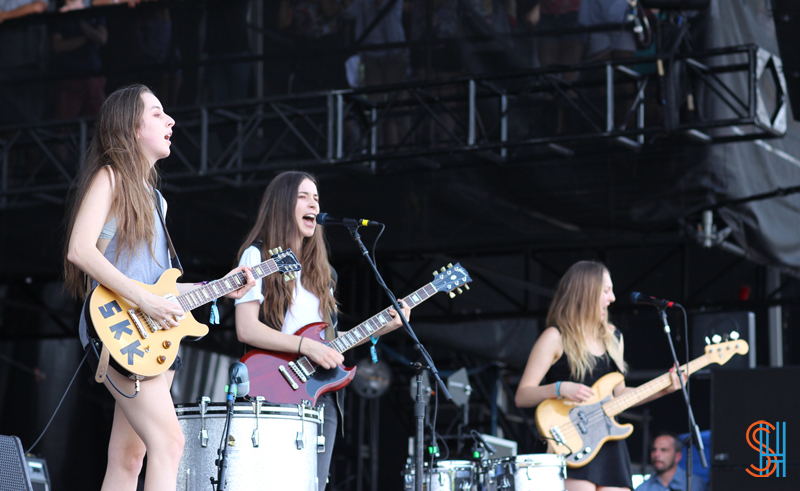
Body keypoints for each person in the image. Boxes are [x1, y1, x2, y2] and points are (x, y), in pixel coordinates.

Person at [63, 84, 255, 491]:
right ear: (130, 126)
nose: (170, 121)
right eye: (156, 113)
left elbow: (162, 286)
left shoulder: (157, 201)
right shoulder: (111, 177)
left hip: (153, 336)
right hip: (119, 329)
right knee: (170, 443)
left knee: (129, 458)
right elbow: (79, 250)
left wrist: (219, 287)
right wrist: (146, 299)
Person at [234, 170, 410, 491]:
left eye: (316, 197)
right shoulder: (256, 255)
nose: (313, 203)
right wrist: (306, 347)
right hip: (272, 385)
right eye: (303, 196)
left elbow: (329, 344)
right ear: (282, 205)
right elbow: (246, 329)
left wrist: (381, 328)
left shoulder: (324, 272)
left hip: (319, 396)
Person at [515, 260, 684, 491]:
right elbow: (522, 395)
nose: (612, 298)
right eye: (606, 291)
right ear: (586, 292)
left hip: (608, 442)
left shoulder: (614, 337)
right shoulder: (555, 337)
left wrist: (665, 388)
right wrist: (560, 388)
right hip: (571, 439)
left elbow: (621, 394)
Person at [636, 433, 707, 491]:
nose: (656, 455)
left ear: (677, 456)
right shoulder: (643, 487)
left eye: (664, 450)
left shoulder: (696, 484)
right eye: (654, 450)